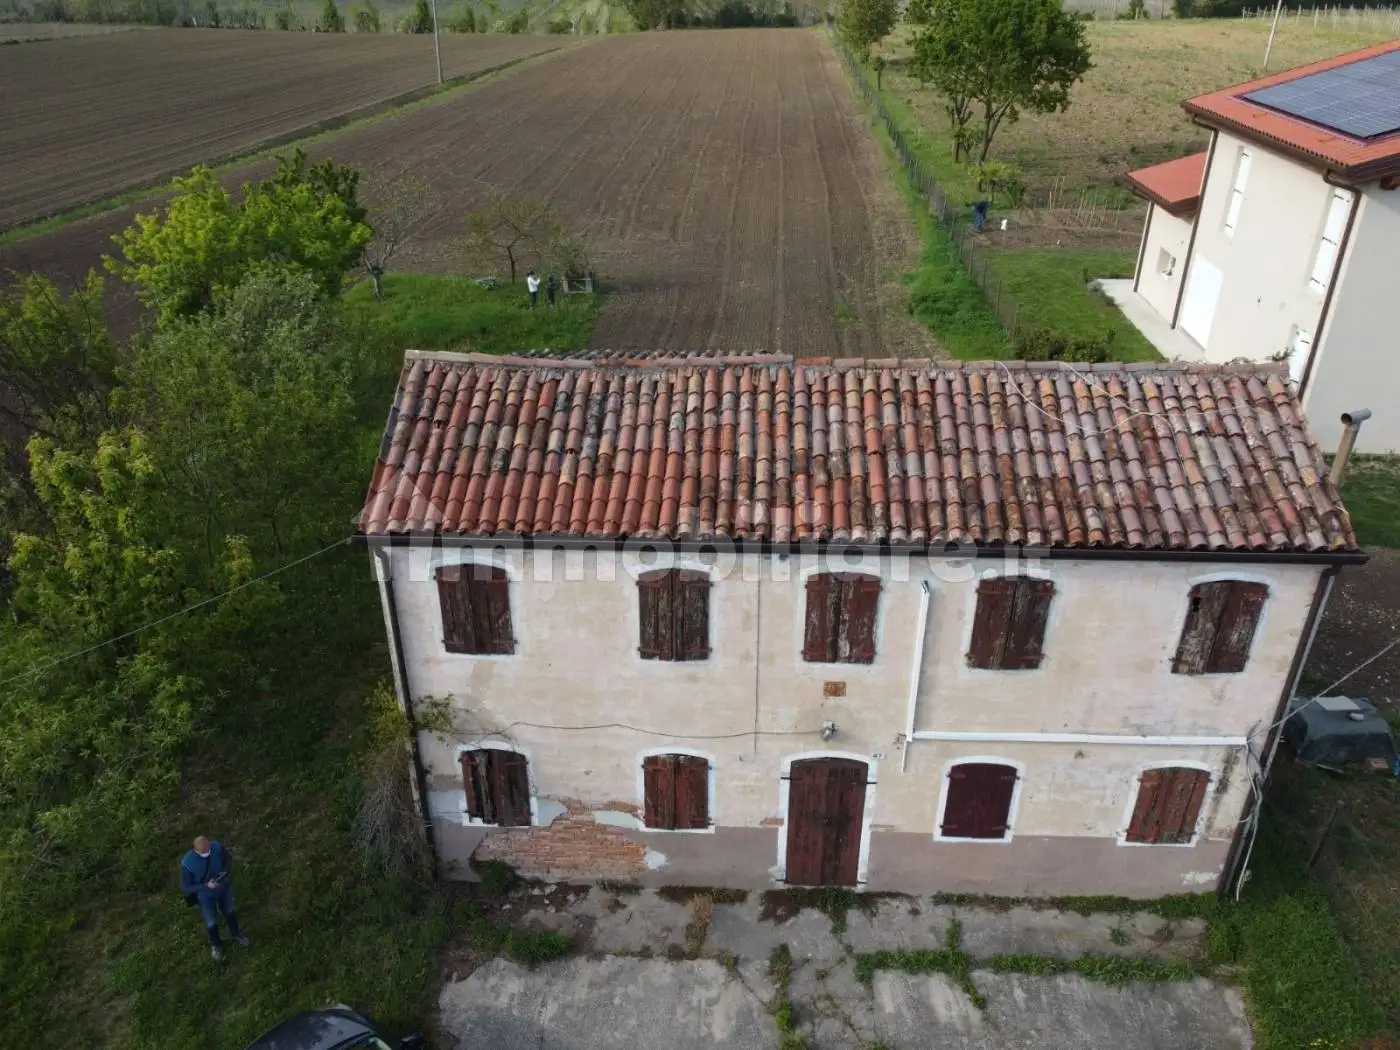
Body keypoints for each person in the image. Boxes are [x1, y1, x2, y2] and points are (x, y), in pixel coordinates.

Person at [180, 835, 249, 960]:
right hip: (205, 896)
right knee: (211, 921)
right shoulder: (187, 864)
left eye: (208, 849)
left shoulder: (216, 847)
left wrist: (224, 873)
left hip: (224, 888)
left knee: (230, 911)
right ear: (195, 850)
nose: (208, 852)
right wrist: (206, 885)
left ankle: (236, 933)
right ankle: (216, 945)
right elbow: (186, 887)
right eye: (204, 851)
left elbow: (227, 859)